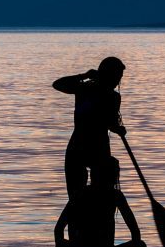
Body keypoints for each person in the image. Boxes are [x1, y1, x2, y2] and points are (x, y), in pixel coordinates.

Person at [52, 56, 126, 196]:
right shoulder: (85, 88)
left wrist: (119, 129)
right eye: (116, 77)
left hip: (99, 148)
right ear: (107, 75)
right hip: (78, 148)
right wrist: (84, 75)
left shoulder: (114, 97)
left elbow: (110, 123)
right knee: (76, 198)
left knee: (103, 195)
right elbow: (58, 84)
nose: (117, 82)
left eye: (119, 78)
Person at [54, 157, 146, 247]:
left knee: (140, 245)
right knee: (139, 245)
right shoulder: (81, 195)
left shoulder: (116, 196)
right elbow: (59, 229)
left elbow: (134, 230)